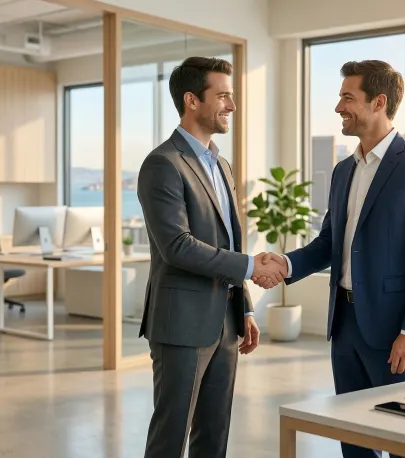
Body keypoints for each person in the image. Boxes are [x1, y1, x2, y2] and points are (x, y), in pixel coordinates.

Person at [253, 60, 405, 458]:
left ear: (379, 102)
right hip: (344, 327)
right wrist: (285, 265)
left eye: (348, 97)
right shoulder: (343, 171)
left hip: (395, 332)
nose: (339, 107)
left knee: (404, 443)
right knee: (355, 443)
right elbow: (329, 242)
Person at [136, 56, 287, 458]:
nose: (231, 106)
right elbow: (177, 246)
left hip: (226, 322)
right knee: (170, 438)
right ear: (191, 100)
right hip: (182, 324)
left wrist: (245, 307)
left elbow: (228, 241)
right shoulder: (162, 164)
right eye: (222, 96)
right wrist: (251, 267)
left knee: (214, 435)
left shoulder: (221, 165)